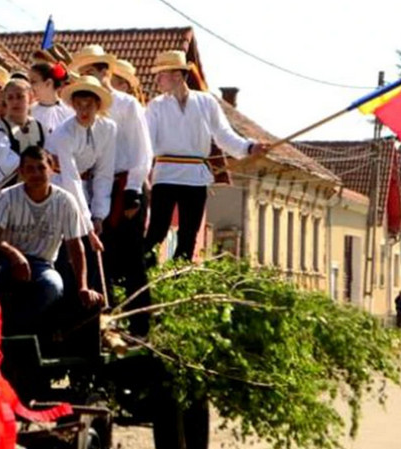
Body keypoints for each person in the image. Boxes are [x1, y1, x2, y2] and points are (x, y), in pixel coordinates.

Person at [144, 50, 268, 261]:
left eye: (161, 74)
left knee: (188, 236)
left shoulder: (206, 102)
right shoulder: (156, 106)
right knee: (157, 231)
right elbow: (147, 145)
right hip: (166, 175)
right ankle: (138, 277)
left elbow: (223, 135)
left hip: (194, 177)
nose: (156, 80)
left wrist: (249, 147)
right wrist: (142, 176)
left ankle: (179, 279)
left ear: (177, 75)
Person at [70, 45, 153, 334]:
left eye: (92, 72)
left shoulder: (127, 105)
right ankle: (104, 325)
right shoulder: (84, 109)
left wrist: (133, 191)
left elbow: (143, 153)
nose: (88, 79)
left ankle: (140, 327)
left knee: (132, 259)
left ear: (106, 72)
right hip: (98, 186)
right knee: (100, 256)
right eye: (83, 75)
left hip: (128, 184)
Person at [0, 146, 103, 324]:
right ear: (21, 172)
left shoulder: (65, 201)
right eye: (30, 169)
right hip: (5, 260)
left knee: (53, 285)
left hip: (42, 264)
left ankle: (15, 327)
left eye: (41, 168)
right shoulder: (6, 196)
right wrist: (14, 255)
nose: (36, 174)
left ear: (52, 169)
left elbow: (75, 247)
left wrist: (83, 287)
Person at [46, 75, 116, 249]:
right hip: (60, 186)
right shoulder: (64, 134)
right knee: (68, 243)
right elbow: (71, 180)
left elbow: (104, 172)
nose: (83, 111)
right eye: (78, 105)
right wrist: (88, 224)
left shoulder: (108, 129)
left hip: (86, 188)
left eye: (89, 105)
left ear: (98, 105)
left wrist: (99, 214)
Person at [0, 79, 47, 195]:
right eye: (10, 98)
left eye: (20, 97)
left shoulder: (39, 127)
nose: (15, 102)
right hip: (6, 195)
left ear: (31, 98)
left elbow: (50, 160)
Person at [29, 62, 75, 134]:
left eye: (33, 82)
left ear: (48, 83)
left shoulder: (70, 110)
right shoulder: (30, 111)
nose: (30, 86)